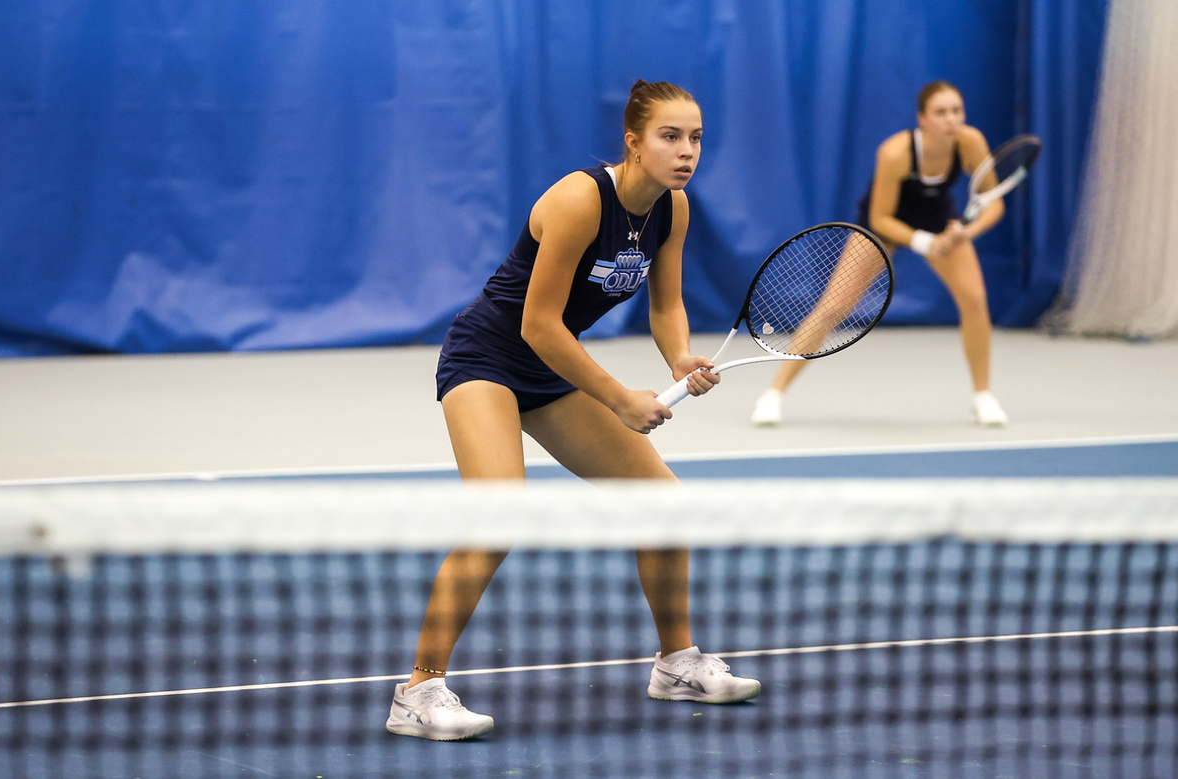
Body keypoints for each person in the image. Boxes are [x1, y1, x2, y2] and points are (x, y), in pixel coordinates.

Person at [386, 80, 761, 742]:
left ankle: (676, 663)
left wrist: (678, 357)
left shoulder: (672, 209)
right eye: (670, 137)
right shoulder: (579, 200)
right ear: (633, 141)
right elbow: (538, 324)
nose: (686, 151)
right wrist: (619, 399)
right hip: (487, 359)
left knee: (663, 503)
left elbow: (667, 304)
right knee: (499, 515)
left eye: (696, 138)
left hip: (550, 370)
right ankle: (418, 691)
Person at [751, 80, 1011, 428]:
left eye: (956, 111)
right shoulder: (895, 153)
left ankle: (983, 397)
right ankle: (773, 394)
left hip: (937, 218)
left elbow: (993, 203)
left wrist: (966, 231)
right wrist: (923, 242)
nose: (951, 119)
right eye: (941, 112)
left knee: (975, 301)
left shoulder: (970, 142)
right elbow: (880, 219)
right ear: (922, 119)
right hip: (885, 222)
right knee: (833, 307)